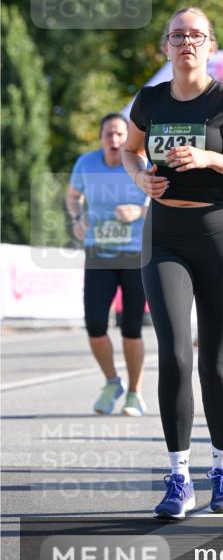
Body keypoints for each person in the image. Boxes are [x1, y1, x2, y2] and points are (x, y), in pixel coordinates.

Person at [123, 7, 223, 519]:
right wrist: (140, 177)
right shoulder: (150, 100)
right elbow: (131, 151)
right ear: (165, 46)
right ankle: (178, 477)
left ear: (211, 46)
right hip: (164, 236)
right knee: (174, 357)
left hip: (219, 235)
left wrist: (210, 158)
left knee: (213, 360)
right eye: (178, 35)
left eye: (196, 35)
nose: (186, 42)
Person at [67, 114, 148, 417]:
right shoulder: (86, 163)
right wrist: (77, 219)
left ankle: (135, 393)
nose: (114, 140)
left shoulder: (141, 162)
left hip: (135, 255)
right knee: (95, 326)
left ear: (127, 138)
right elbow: (73, 196)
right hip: (99, 254)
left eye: (119, 134)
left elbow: (163, 200)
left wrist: (139, 211)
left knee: (131, 329)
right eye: (108, 135)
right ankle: (113, 381)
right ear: (100, 138)